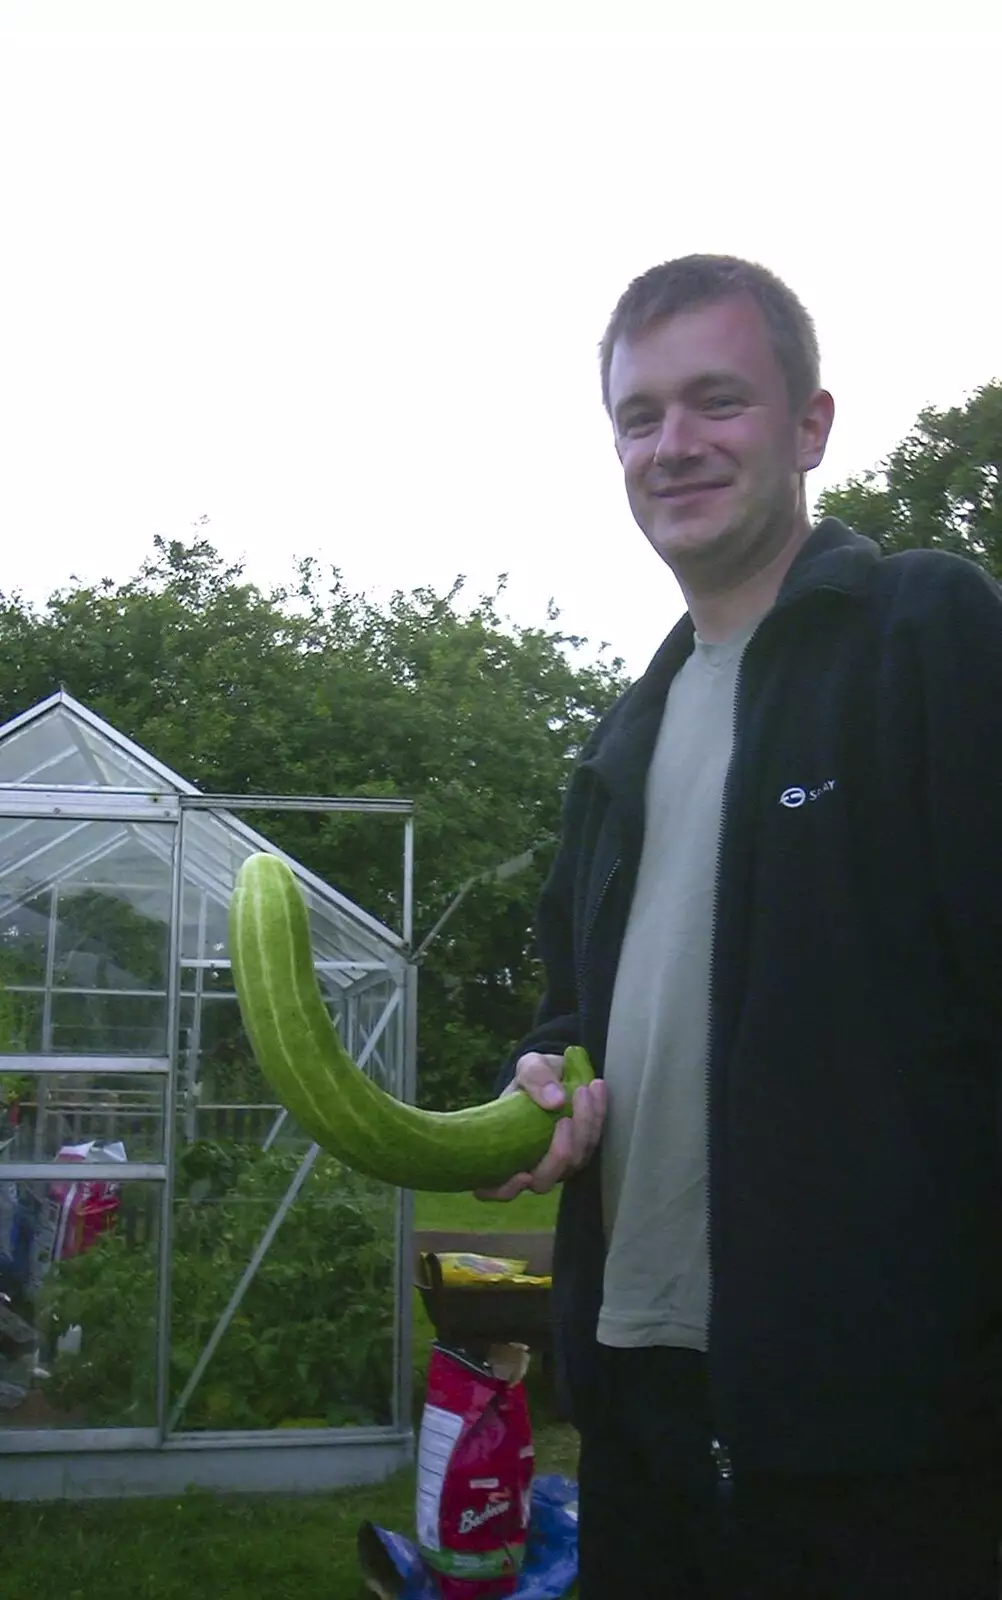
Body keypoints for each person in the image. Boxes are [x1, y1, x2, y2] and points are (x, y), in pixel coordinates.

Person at [479, 254, 1002, 1598]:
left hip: (879, 1413)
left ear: (808, 427)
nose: (673, 446)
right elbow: (571, 1016)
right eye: (638, 417)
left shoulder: (922, 632)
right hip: (642, 1387)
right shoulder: (619, 739)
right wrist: (547, 1076)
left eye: (716, 401)